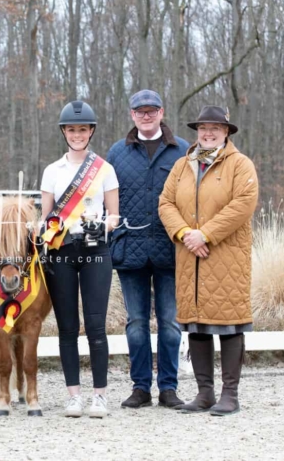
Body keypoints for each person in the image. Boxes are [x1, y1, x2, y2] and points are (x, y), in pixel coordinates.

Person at [159, 105, 259, 416]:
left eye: (215, 127)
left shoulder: (240, 165)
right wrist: (185, 233)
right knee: (196, 326)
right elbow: (166, 202)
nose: (208, 132)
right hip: (190, 257)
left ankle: (230, 395)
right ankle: (204, 393)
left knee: (229, 324)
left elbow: (243, 204)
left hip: (225, 256)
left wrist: (205, 234)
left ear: (227, 131)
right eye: (203, 127)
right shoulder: (182, 165)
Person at [106, 89, 189, 409]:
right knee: (136, 322)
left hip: (171, 250)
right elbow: (106, 200)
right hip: (131, 250)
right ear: (131, 114)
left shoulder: (182, 150)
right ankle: (140, 386)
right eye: (140, 111)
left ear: (161, 112)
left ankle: (168, 387)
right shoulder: (117, 153)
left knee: (170, 322)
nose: (146, 115)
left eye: (152, 110)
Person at [40, 100, 119, 418]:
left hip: (94, 249)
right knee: (67, 327)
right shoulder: (52, 172)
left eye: (82, 129)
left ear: (91, 132)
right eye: (71, 129)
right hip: (61, 252)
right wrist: (48, 229)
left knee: (96, 326)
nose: (76, 134)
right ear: (64, 132)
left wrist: (99, 225)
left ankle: (99, 395)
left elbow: (115, 215)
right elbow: (46, 218)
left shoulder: (104, 169)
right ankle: (73, 395)